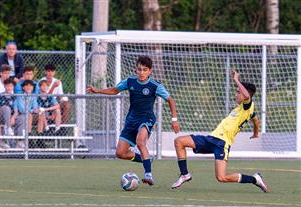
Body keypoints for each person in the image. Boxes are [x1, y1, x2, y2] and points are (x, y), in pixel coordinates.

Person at [87, 55, 180, 185]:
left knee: (140, 142)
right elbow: (115, 90)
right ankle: (145, 159)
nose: (141, 72)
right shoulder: (130, 81)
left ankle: (148, 174)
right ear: (136, 70)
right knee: (120, 153)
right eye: (139, 69)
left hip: (146, 118)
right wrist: (97, 91)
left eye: (145, 70)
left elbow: (170, 100)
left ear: (150, 71)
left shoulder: (155, 86)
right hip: (131, 120)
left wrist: (174, 120)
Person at [172, 70, 268, 192]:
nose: (236, 94)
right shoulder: (246, 110)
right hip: (211, 139)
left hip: (221, 144)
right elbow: (256, 121)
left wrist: (236, 80)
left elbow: (248, 98)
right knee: (179, 141)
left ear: (245, 95)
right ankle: (184, 174)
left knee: (221, 177)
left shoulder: (248, 106)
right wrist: (255, 133)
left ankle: (255, 179)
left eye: (238, 92)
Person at [11, 80, 39, 148]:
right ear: (23, 87)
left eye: (30, 86)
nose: (28, 87)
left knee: (37, 115)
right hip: (21, 115)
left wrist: (32, 110)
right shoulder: (20, 96)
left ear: (33, 87)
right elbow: (22, 109)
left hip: (31, 115)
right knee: (26, 116)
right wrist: (31, 110)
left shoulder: (33, 97)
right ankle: (26, 137)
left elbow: (35, 108)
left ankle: (39, 138)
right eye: (26, 85)